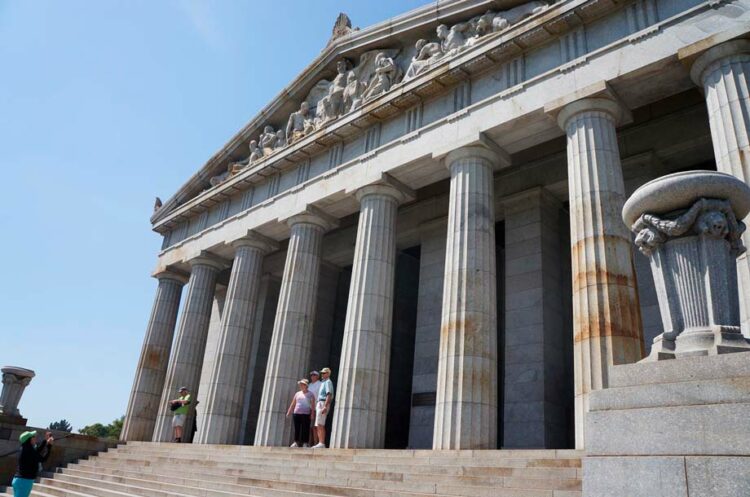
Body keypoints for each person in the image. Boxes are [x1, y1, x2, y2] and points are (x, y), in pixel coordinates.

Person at [13, 430, 53, 497]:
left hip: (19, 480)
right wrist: (49, 446)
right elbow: (43, 459)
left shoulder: (25, 448)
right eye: (33, 436)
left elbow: (37, 451)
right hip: (24, 481)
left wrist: (45, 440)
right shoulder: (30, 451)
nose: (35, 438)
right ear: (29, 440)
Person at [286, 379, 315, 448]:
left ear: (306, 385)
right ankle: (296, 442)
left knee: (305, 428)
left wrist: (312, 414)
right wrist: (289, 411)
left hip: (306, 413)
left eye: (303, 384)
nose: (301, 386)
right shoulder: (297, 393)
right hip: (297, 413)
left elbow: (313, 405)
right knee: (297, 428)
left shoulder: (311, 394)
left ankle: (305, 442)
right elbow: (293, 403)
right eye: (301, 384)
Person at [312, 367, 334, 448]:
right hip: (319, 402)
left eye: (324, 373)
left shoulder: (328, 382)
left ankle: (322, 442)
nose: (322, 374)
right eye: (322, 373)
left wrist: (325, 406)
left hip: (323, 402)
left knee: (320, 423)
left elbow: (329, 394)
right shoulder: (323, 382)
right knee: (318, 424)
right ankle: (320, 442)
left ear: (328, 374)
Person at [307, 371, 321, 445]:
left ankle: (316, 443)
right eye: (311, 375)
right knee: (308, 426)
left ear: (317, 376)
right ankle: (308, 443)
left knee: (315, 427)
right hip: (308, 408)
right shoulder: (309, 385)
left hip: (316, 408)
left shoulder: (320, 384)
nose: (312, 376)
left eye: (314, 375)